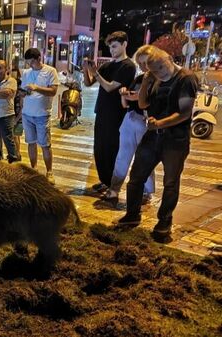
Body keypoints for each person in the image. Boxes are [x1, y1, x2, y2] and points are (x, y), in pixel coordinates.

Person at [115, 48, 198, 243]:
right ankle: (132, 214)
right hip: (152, 137)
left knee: (170, 182)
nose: (160, 72)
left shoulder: (186, 78)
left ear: (169, 58)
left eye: (161, 67)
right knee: (136, 178)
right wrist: (146, 81)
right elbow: (143, 104)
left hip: (175, 140)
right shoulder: (152, 77)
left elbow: (185, 112)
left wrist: (160, 123)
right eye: (154, 70)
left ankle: (164, 221)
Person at [101, 45, 158, 205]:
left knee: (145, 158)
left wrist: (136, 96)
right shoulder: (139, 79)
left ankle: (147, 192)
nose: (142, 67)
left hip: (146, 121)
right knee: (122, 156)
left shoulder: (159, 80)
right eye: (140, 63)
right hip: (130, 118)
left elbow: (145, 102)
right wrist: (123, 94)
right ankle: (114, 190)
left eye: (145, 63)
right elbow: (125, 104)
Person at [82, 31, 136, 193]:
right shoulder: (107, 65)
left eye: (115, 46)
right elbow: (89, 82)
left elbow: (110, 86)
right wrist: (86, 69)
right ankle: (104, 180)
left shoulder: (128, 66)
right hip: (101, 112)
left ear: (124, 44)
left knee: (112, 148)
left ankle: (112, 184)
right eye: (110, 47)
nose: (111, 50)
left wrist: (95, 73)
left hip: (116, 114)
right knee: (99, 148)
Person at [20, 48, 59, 184]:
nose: (29, 64)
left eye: (31, 61)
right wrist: (22, 94)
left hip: (42, 114)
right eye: (28, 62)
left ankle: (49, 172)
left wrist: (36, 88)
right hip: (27, 114)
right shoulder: (26, 73)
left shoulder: (50, 71)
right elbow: (23, 91)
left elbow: (53, 91)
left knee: (45, 144)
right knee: (31, 143)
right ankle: (34, 169)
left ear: (38, 58)